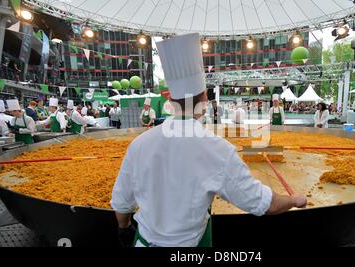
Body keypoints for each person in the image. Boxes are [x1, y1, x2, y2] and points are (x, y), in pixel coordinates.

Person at [111, 33, 306, 248]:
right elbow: (261, 202)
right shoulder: (218, 150)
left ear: (170, 100)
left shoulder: (139, 144)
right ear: (204, 99)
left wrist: (124, 228)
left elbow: (122, 203)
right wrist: (293, 200)